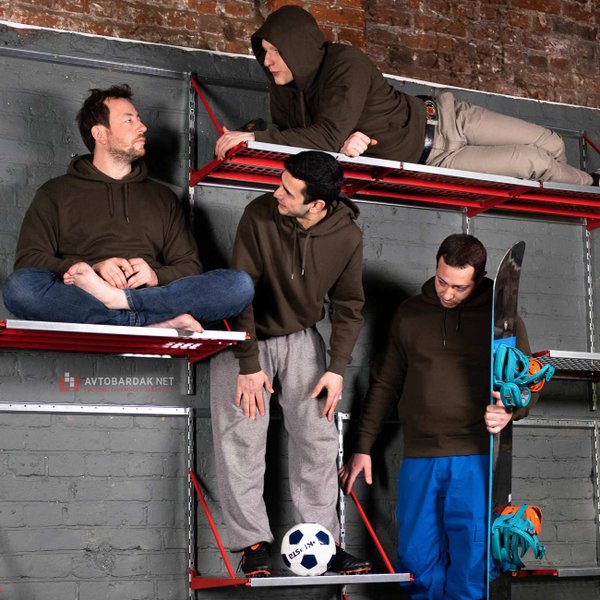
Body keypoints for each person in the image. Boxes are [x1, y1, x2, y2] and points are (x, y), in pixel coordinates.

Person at [339, 234, 536, 599]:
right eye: (442, 281)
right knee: (415, 560)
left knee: (473, 561)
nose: (447, 293)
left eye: (459, 287)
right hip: (420, 456)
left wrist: (511, 409)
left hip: (476, 456)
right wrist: (363, 446)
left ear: (478, 279)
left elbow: (526, 380)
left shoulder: (502, 319)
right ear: (436, 266)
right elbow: (384, 383)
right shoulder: (410, 313)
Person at [215, 4, 598, 187]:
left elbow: (324, 136)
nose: (267, 61)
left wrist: (253, 137)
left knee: (550, 142)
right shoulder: (282, 93)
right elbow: (306, 145)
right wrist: (260, 136)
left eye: (275, 50)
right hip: (437, 158)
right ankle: (591, 185)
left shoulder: (343, 62)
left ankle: (579, 179)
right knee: (533, 161)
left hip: (448, 118)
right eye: (263, 51)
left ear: (298, 46)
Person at [210, 150, 371, 576]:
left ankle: (323, 544)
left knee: (318, 441)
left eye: (287, 190)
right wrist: (248, 363)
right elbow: (240, 291)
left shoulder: (347, 236)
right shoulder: (260, 213)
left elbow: (349, 305)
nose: (276, 193)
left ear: (316, 204)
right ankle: (252, 544)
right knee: (242, 440)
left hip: (301, 336)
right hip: (246, 335)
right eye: (280, 183)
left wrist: (337, 368)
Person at [3, 84, 254, 332]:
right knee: (20, 288)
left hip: (150, 295)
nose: (142, 127)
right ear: (100, 134)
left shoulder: (162, 197)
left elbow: (189, 266)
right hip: (86, 297)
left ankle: (123, 305)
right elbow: (29, 261)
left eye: (139, 119)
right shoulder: (54, 192)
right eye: (129, 120)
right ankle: (154, 324)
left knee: (239, 285)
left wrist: (154, 276)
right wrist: (93, 269)